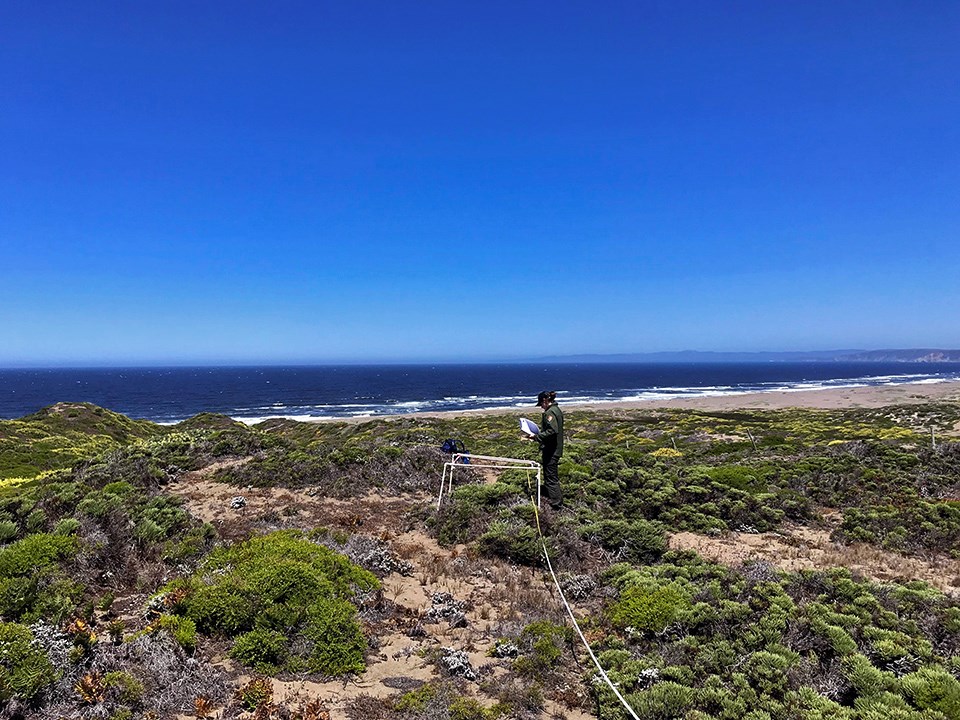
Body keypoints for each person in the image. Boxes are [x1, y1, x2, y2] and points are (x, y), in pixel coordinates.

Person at [526, 390, 564, 510]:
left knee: (550, 477)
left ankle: (556, 504)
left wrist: (537, 437)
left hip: (551, 450)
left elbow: (552, 431)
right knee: (551, 476)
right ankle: (553, 499)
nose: (541, 407)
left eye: (541, 404)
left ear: (545, 401)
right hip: (553, 448)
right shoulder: (556, 410)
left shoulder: (550, 412)